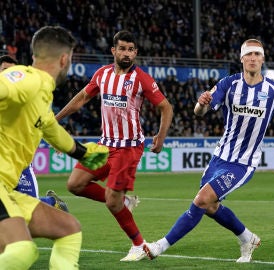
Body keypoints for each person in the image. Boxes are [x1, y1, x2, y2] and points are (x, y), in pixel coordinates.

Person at [143, 39, 274, 262]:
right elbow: (200, 112)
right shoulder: (229, 84)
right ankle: (248, 238)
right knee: (210, 207)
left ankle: (160, 246)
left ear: (263, 58)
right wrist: (201, 103)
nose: (253, 58)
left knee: (201, 200)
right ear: (242, 58)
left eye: (257, 54)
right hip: (220, 157)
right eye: (249, 54)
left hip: (243, 163)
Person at [55, 30, 173, 261]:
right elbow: (80, 98)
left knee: (111, 200)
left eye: (131, 50)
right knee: (75, 184)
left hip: (129, 147)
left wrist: (160, 136)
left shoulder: (142, 79)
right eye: (122, 48)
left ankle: (139, 245)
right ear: (113, 50)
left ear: (136, 53)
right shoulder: (102, 74)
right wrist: (55, 120)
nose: (126, 53)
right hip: (104, 145)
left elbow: (166, 107)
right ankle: (125, 202)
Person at [0, 26, 109, 269]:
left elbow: (52, 130)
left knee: (68, 229)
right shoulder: (26, 80)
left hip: (6, 189)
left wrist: (86, 154)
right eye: (70, 59)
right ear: (64, 59)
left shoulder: (41, 94)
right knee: (21, 251)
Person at [0, 54, 69, 212]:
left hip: (21, 163)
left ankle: (52, 203)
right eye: (4, 70)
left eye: (11, 72)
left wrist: (56, 141)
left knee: (30, 209)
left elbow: (41, 122)